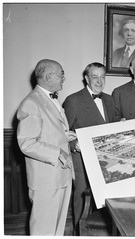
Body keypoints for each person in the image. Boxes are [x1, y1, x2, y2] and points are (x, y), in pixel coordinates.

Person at [17, 59, 76, 235]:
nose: (64, 78)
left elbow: (47, 131)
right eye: (61, 74)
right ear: (49, 76)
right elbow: (26, 142)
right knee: (43, 230)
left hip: (60, 176)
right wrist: (58, 152)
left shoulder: (49, 99)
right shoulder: (32, 102)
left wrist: (65, 136)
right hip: (46, 180)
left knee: (56, 230)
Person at [63, 62, 116, 235]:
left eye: (103, 77)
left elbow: (112, 126)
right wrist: (74, 145)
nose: (100, 81)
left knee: (104, 198)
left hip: (106, 160)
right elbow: (63, 133)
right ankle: (80, 233)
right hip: (82, 160)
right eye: (95, 77)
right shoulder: (73, 100)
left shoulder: (109, 99)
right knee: (81, 197)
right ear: (86, 78)